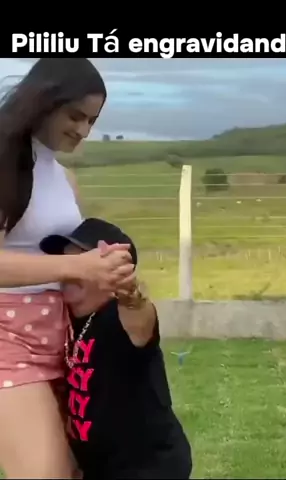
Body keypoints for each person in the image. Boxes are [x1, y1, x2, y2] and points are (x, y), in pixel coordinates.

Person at [0, 58, 135, 478]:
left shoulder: (64, 178)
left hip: (64, 340)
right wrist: (79, 266)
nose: (84, 131)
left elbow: (72, 260)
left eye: (92, 121)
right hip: (6, 338)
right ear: (44, 100)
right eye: (76, 116)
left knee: (81, 471)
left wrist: (109, 272)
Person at [40, 217, 192, 480]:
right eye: (67, 261)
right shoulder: (63, 320)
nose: (69, 271)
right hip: (99, 467)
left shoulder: (116, 318)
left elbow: (139, 319)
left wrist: (130, 295)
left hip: (148, 467)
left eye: (82, 263)